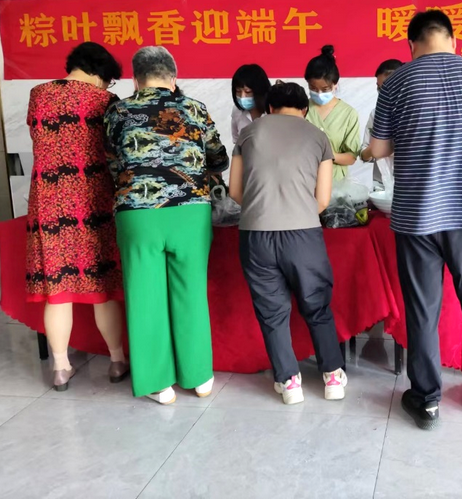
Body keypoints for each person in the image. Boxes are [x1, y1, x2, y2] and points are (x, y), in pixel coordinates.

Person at [370, 10, 462, 430]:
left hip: (417, 216)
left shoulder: (397, 82)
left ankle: (426, 400)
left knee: (422, 311)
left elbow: (378, 149)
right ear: (452, 40)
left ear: (411, 44)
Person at [104, 46, 228, 405]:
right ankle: (199, 376)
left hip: (137, 213)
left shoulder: (118, 111)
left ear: (135, 79)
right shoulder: (195, 108)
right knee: (190, 291)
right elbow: (218, 158)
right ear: (173, 78)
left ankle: (158, 383)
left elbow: (113, 160)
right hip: (190, 213)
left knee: (144, 296)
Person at [229, 81, 347, 404]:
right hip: (303, 234)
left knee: (272, 312)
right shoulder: (318, 137)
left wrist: (263, 211)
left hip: (256, 234)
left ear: (269, 107)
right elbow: (323, 199)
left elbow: (235, 191)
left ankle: (289, 382)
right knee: (316, 305)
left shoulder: (248, 134)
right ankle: (332, 377)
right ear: (305, 109)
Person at [26, 42, 127, 391]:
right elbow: (114, 152)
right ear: (100, 73)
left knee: (58, 290)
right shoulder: (105, 101)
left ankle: (60, 367)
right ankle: (117, 360)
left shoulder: (38, 94)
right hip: (92, 202)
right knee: (103, 287)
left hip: (48, 203)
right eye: (108, 79)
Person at [305, 45, 360, 181]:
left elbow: (351, 157)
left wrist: (328, 155)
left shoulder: (348, 114)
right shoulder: (301, 109)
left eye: (325, 89)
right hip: (304, 181)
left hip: (336, 184)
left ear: (335, 84)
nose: (319, 93)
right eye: (313, 88)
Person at [360, 59, 404, 189]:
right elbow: (364, 153)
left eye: (385, 87)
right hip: (380, 184)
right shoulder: (375, 114)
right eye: (379, 88)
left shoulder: (414, 114)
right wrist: (374, 150)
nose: (381, 92)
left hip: (409, 184)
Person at [230, 64, 271, 145]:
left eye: (248, 92)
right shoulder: (237, 111)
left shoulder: (273, 112)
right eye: (238, 91)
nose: (242, 97)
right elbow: (236, 141)